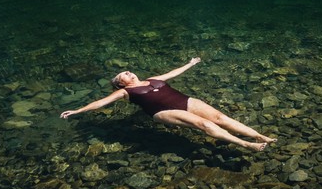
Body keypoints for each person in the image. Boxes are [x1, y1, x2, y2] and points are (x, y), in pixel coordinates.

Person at [60, 57, 276, 151]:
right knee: (205, 125)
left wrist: (190, 64)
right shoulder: (125, 92)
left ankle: (259, 135)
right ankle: (247, 145)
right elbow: (100, 103)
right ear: (120, 83)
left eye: (127, 70)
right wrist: (78, 110)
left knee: (221, 118)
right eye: (122, 74)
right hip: (162, 111)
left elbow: (172, 73)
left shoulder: (153, 79)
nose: (128, 71)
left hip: (183, 100)